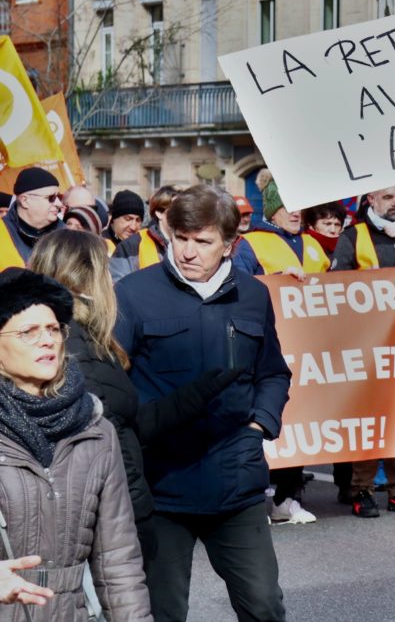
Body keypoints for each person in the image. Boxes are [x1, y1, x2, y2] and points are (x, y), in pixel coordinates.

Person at [115, 185, 290, 621]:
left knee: (265, 607)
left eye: (203, 241)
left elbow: (272, 372)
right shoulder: (132, 294)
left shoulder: (252, 295)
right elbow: (111, 385)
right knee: (162, 613)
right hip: (161, 489)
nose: (189, 251)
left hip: (237, 485)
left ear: (230, 244)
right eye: (182, 238)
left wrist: (259, 427)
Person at [29, 229, 240, 525]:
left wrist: (200, 391)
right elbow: (105, 436)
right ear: (85, 277)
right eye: (106, 268)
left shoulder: (82, 335)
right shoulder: (71, 343)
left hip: (103, 503)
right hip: (107, 510)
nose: (112, 280)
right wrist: (138, 505)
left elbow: (130, 424)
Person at [0, 268, 152, 620]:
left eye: (53, 329)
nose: (47, 340)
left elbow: (119, 562)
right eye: (28, 332)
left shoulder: (95, 429)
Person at [330, 185, 395, 517]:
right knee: (368, 417)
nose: (394, 203)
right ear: (371, 200)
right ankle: (360, 490)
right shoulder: (354, 236)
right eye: (386, 197)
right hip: (365, 342)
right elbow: (335, 283)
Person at [234, 169, 327, 525]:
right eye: (286, 204)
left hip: (312, 347)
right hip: (270, 346)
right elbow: (241, 288)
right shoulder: (251, 244)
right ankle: (255, 495)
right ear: (271, 209)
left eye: (300, 204)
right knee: (266, 416)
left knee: (300, 418)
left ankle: (289, 496)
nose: (295, 211)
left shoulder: (313, 244)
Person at [109, 185, 180, 282]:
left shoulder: (186, 244)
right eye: (128, 219)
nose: (133, 226)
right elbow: (119, 288)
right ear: (159, 212)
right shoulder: (131, 246)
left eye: (138, 220)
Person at [0, 167, 64, 270]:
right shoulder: (2, 233)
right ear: (25, 201)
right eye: (51, 198)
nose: (59, 204)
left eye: (59, 197)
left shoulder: (67, 237)